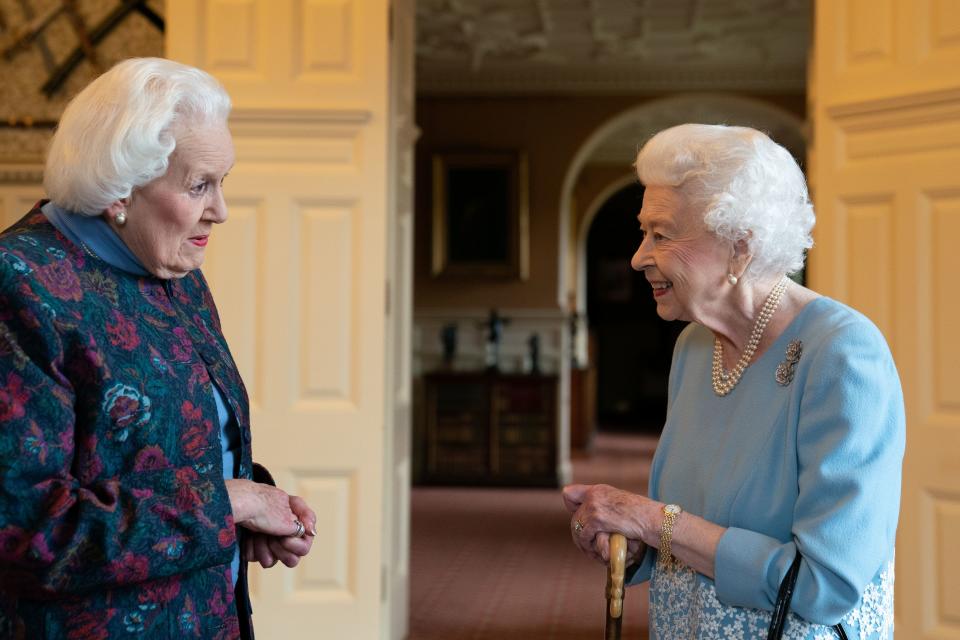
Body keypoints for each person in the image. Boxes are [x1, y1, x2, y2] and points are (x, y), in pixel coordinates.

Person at [0, 57, 316, 639]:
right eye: (199, 186)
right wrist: (230, 503)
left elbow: (171, 448)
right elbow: (26, 531)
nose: (220, 210)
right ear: (120, 190)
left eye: (224, 182)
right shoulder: (20, 284)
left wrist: (257, 503)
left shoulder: (176, 271)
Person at [563, 124, 903, 639]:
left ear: (740, 246)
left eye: (662, 234)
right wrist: (636, 540)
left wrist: (654, 520)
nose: (638, 257)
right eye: (642, 232)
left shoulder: (843, 354)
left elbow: (824, 585)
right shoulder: (694, 349)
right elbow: (695, 523)